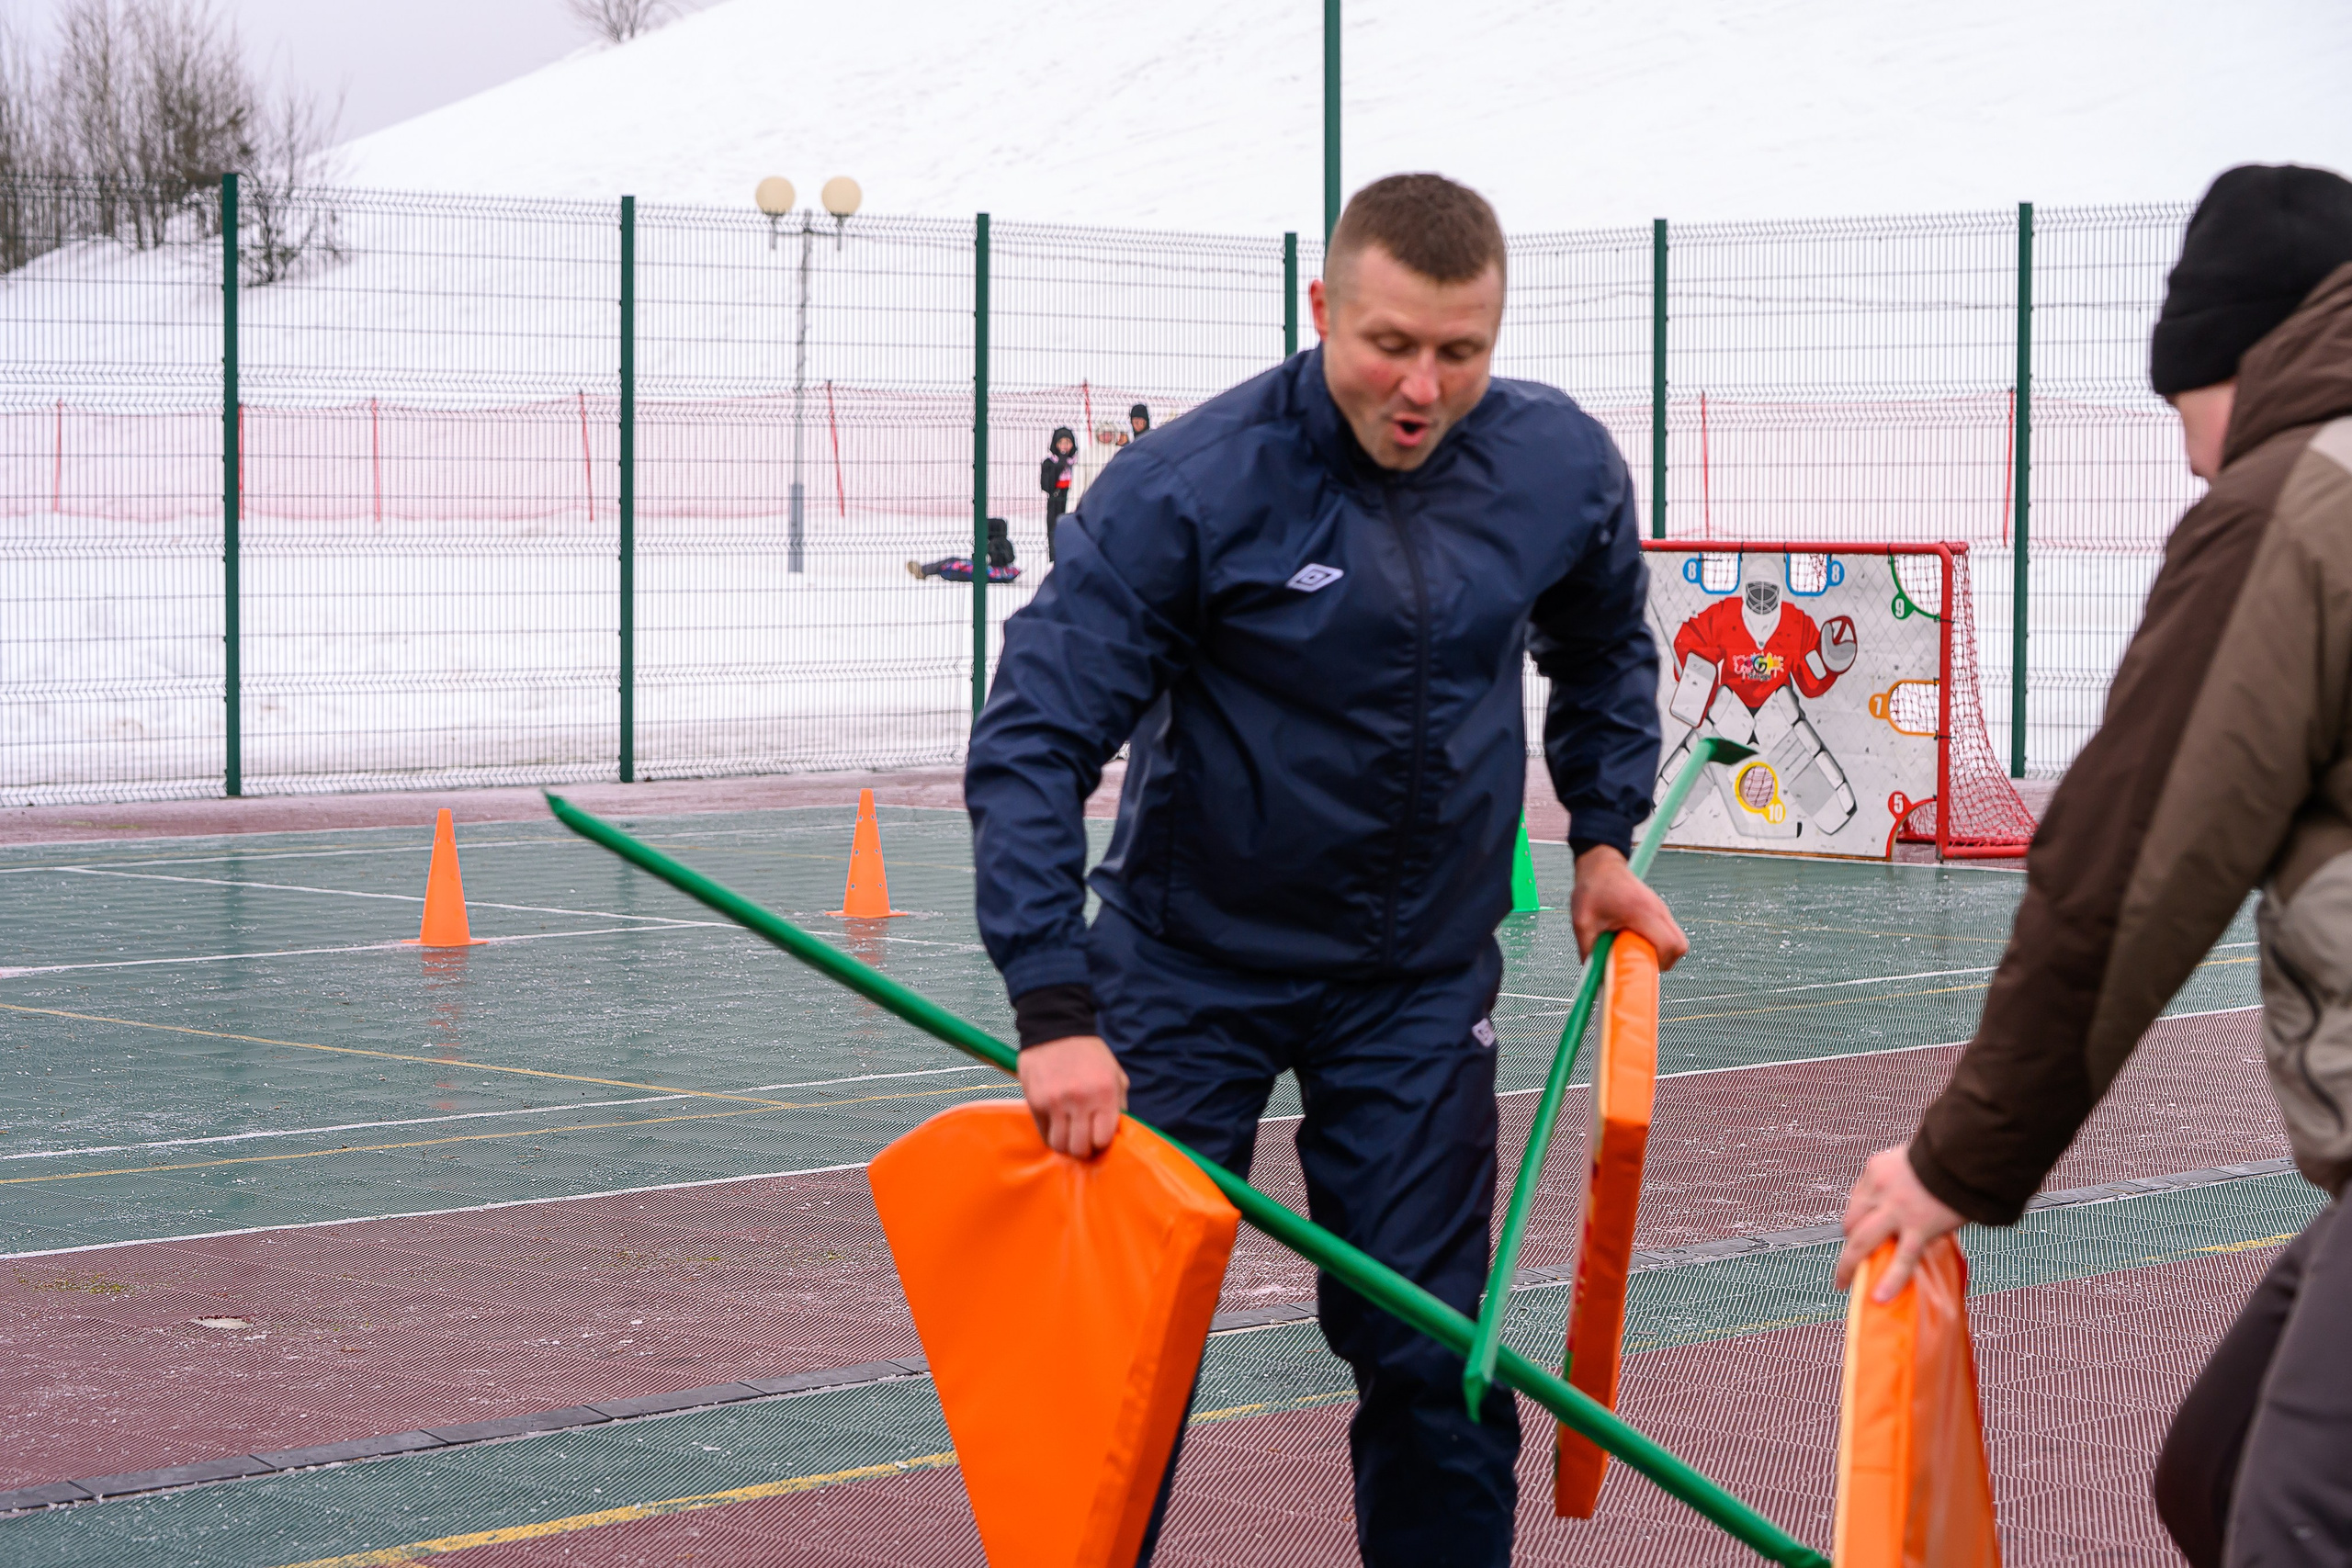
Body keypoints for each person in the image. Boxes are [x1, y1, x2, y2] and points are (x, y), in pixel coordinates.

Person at [965, 173, 1682, 1568]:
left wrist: (1603, 835)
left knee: (1434, 1356)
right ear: (1323, 310)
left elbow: (1600, 644)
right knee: (1116, 1365)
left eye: (1459, 352)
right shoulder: (1191, 486)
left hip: (1415, 987)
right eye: (1389, 344)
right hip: (1182, 977)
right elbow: (1033, 738)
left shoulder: (1555, 465)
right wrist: (1055, 1010)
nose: (1422, 385)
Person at [1834, 164, 2352, 1568]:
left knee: (2289, 1523)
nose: (2190, 456)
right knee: (2223, 1464)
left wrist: (1958, 1159)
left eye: (2182, 401)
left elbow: (2127, 869)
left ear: (2240, 354)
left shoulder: (2295, 501)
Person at [907, 515, 1020, 583]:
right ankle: (924, 570)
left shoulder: (993, 544)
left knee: (952, 560)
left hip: (990, 570)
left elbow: (980, 559)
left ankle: (923, 570)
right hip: (1000, 571)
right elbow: (1010, 558)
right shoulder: (1006, 543)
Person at [1040, 426, 1078, 560]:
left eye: (1068, 442)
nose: (1064, 446)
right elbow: (1046, 485)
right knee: (1055, 531)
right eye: (1061, 443)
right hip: (1056, 500)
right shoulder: (1049, 462)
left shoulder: (1077, 462)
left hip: (1072, 498)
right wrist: (1060, 465)